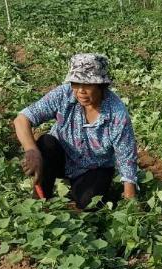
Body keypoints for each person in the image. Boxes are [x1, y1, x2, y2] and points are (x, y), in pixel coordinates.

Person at [14, 53, 138, 209]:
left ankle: (89, 190)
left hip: (94, 167)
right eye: (75, 83)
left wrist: (130, 198)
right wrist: (31, 150)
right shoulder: (63, 95)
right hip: (61, 157)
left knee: (89, 202)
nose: (80, 91)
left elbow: (126, 157)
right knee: (46, 143)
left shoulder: (116, 112)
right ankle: (39, 201)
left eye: (87, 85)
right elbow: (22, 119)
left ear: (101, 85)